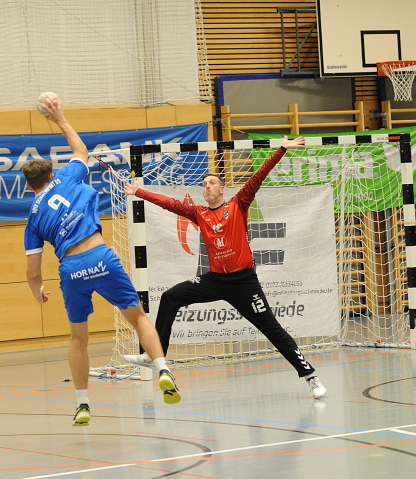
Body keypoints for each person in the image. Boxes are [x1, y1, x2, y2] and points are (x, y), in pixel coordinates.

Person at [123, 136, 327, 399]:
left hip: (244, 283)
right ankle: (156, 356)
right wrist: (139, 192)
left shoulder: (238, 204)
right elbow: (170, 204)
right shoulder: (199, 213)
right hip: (215, 280)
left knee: (272, 330)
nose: (206, 186)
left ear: (222, 189)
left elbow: (258, 177)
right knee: (170, 296)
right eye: (204, 184)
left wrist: (281, 150)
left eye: (211, 183)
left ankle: (310, 376)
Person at [23, 93, 181, 427]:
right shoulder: (68, 177)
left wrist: (38, 293)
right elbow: (80, 150)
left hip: (71, 269)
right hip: (100, 257)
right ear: (51, 174)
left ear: (28, 185)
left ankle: (82, 404)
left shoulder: (33, 217)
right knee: (138, 317)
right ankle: (163, 368)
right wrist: (59, 118)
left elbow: (33, 272)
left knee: (78, 339)